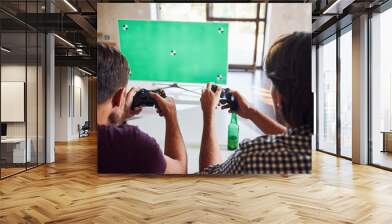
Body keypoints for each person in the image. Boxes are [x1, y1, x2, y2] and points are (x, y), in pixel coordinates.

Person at [199, 32, 312, 174]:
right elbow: (293, 140)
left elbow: (208, 177)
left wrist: (208, 114)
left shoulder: (254, 155)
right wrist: (251, 112)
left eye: (273, 84)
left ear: (279, 96)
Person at [97, 44, 187, 174]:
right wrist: (171, 116)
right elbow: (179, 170)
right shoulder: (132, 143)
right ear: (119, 96)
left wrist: (120, 116)